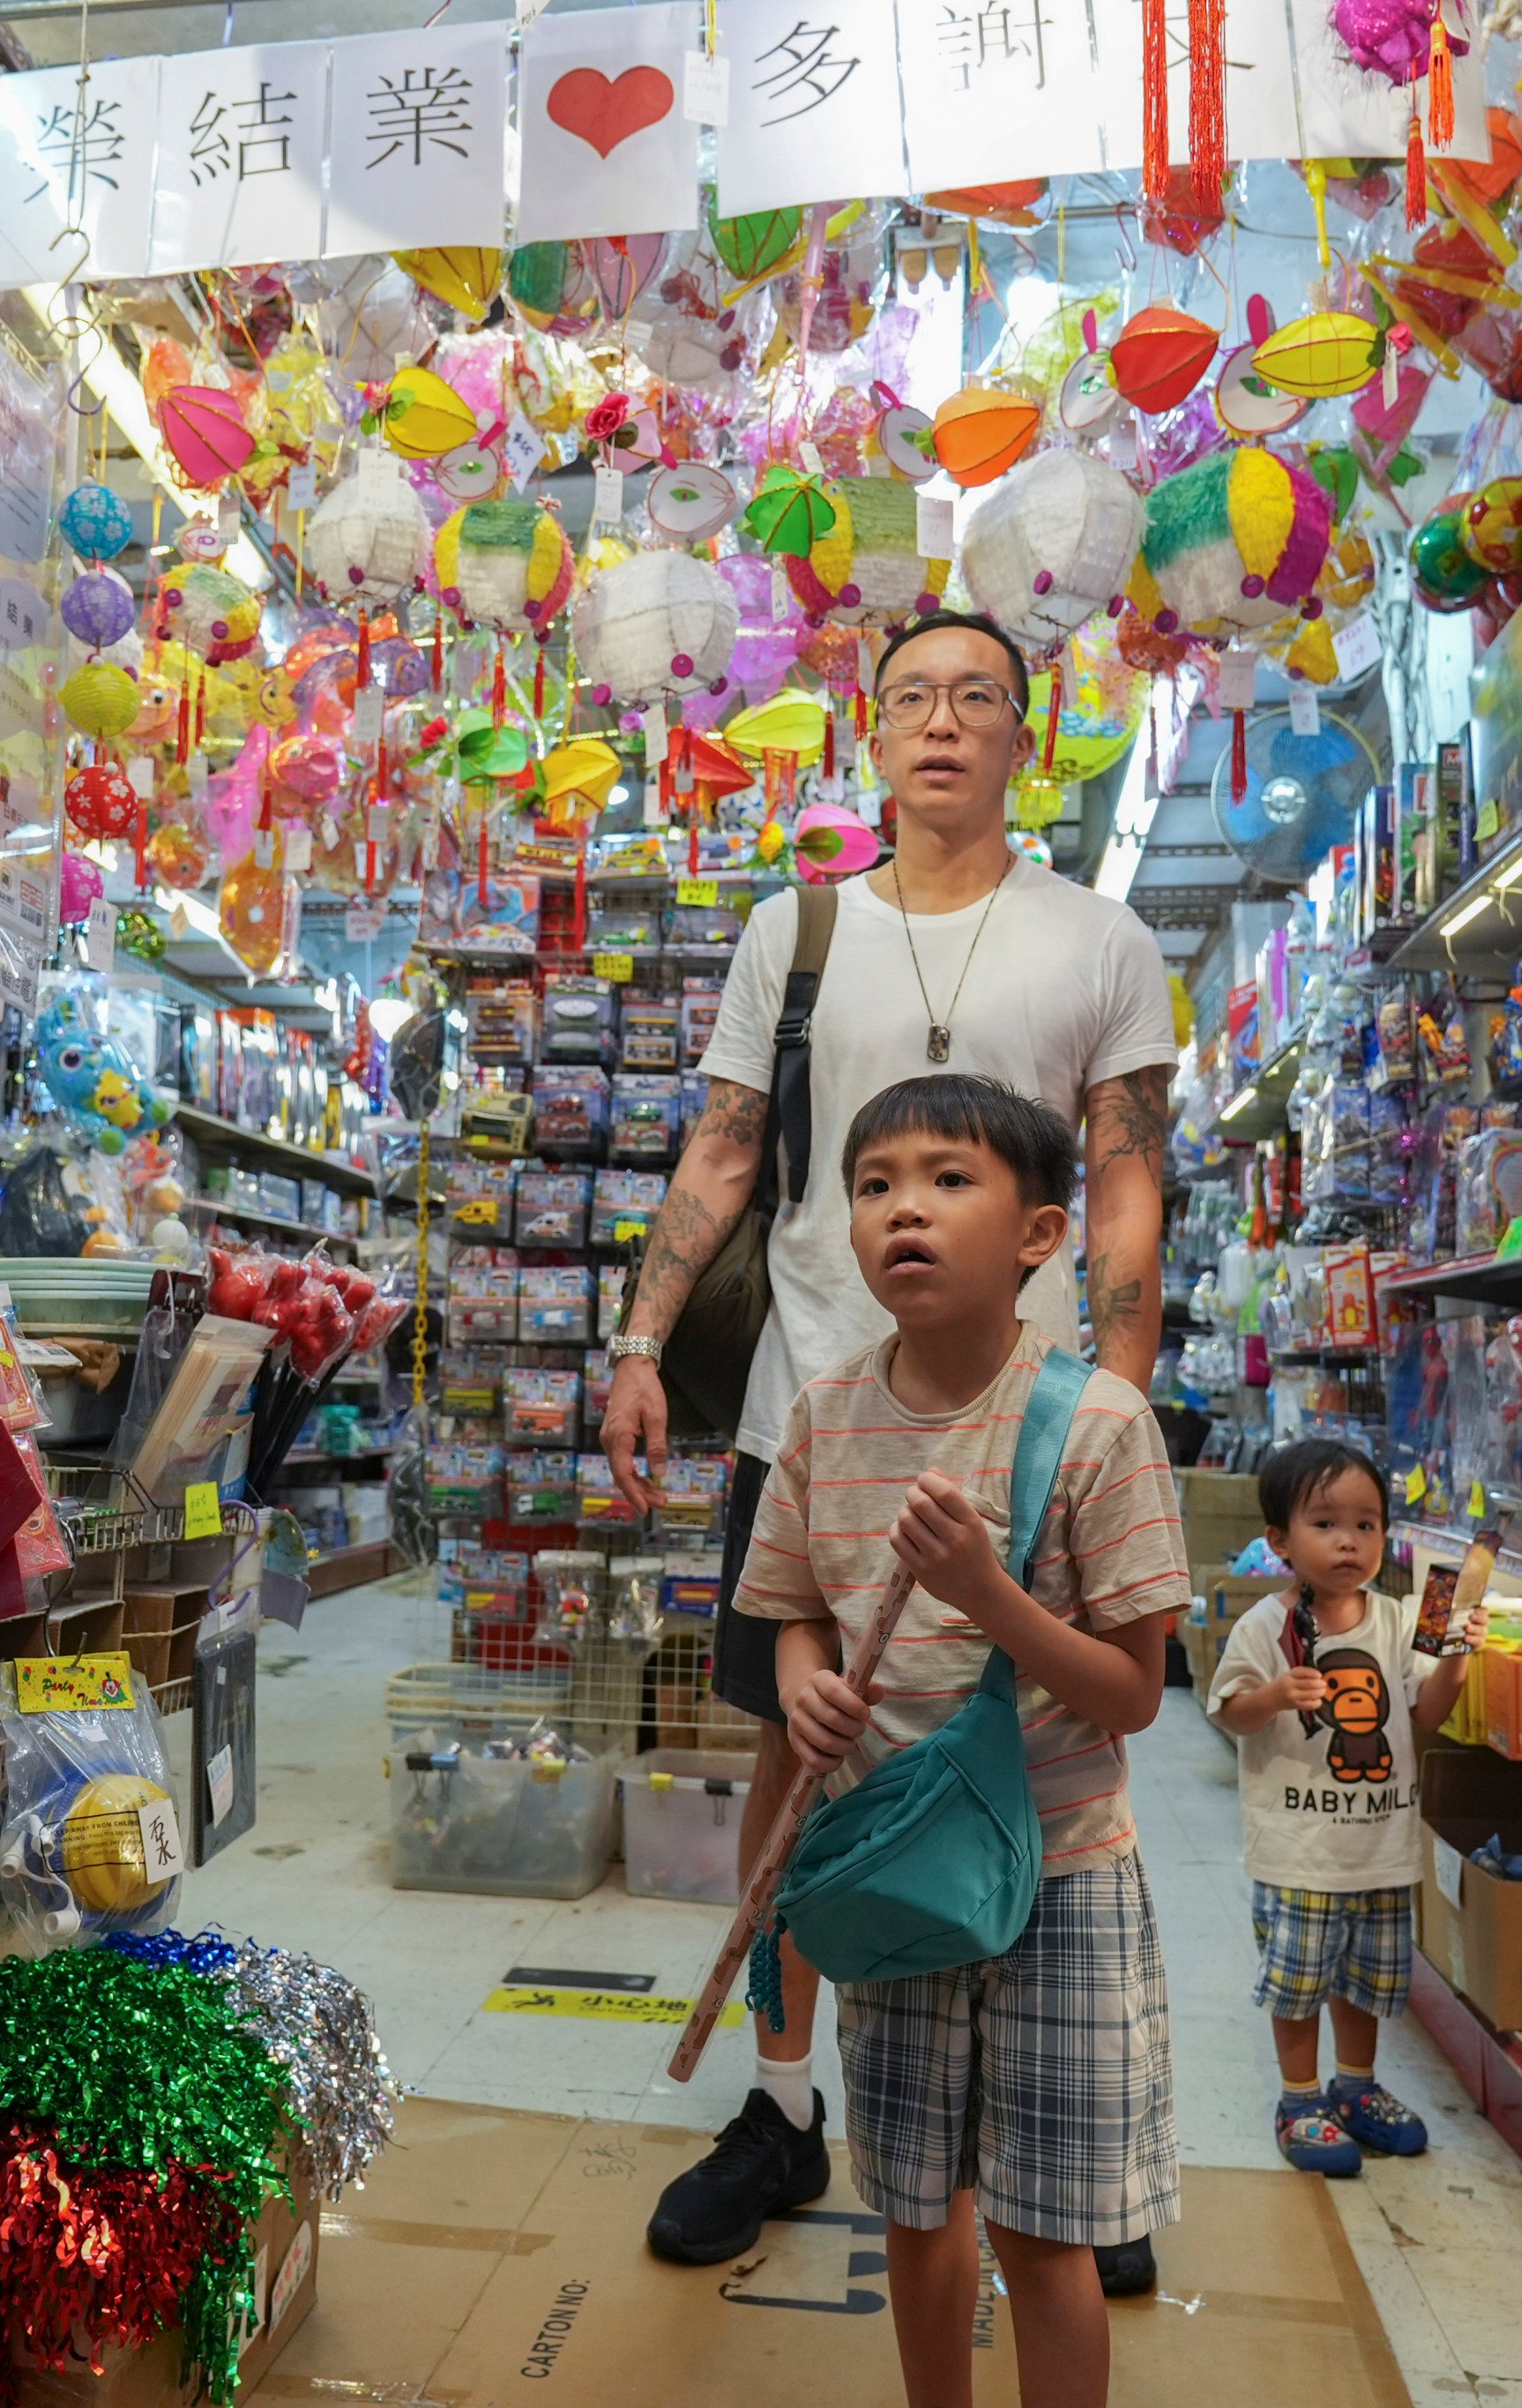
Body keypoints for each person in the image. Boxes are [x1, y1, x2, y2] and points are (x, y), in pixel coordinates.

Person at [603, 609, 1181, 2275]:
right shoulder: (797, 930)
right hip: (815, 1417)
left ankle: (1067, 2152)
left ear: (1027, 732)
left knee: (1057, 1746)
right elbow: (725, 1152)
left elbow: (1128, 1173)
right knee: (800, 1741)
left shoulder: (1102, 942)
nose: (945, 723)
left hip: (1037, 1430)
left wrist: (1120, 1386)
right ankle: (784, 2108)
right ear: (873, 733)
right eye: (914, 698)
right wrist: (642, 1340)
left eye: (977, 698)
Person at [735, 1075, 1187, 2408]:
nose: (901, 1211)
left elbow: (1132, 1692)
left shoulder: (1099, 1424)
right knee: (914, 2212)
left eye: (945, 1179)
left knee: (1043, 2231)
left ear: (1039, 1233)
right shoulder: (821, 1419)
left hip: (1059, 1876)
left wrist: (988, 1594)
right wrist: (809, 1685)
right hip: (891, 1874)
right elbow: (794, 1619)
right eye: (873, 1185)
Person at [1207, 1440, 1482, 2178]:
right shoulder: (1266, 1626)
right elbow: (1228, 1711)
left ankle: (1354, 2088)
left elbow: (1426, 1712)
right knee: (1297, 1984)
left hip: (1380, 1849)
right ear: (1279, 1542)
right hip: (1299, 1850)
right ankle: (1299, 2100)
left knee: (1366, 1980)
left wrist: (1456, 1654)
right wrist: (1273, 1696)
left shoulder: (1398, 1620)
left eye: (1365, 1525)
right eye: (1325, 1523)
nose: (1347, 1541)